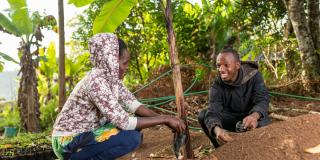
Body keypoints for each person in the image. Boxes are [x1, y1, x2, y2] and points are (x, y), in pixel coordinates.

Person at [52, 33, 186, 160]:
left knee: (136, 125)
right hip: (67, 142)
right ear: (112, 62)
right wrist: (164, 119)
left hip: (87, 133)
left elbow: (134, 105)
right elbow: (125, 123)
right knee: (130, 138)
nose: (127, 67)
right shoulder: (95, 82)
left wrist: (167, 120)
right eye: (125, 63)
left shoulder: (111, 79)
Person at [198, 48, 271, 148]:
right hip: (231, 119)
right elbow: (213, 111)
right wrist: (216, 129)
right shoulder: (217, 85)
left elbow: (262, 100)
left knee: (263, 125)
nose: (221, 69)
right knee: (203, 115)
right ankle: (220, 150)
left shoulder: (254, 75)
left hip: (252, 118)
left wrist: (254, 116)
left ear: (237, 65)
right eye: (218, 66)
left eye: (226, 65)